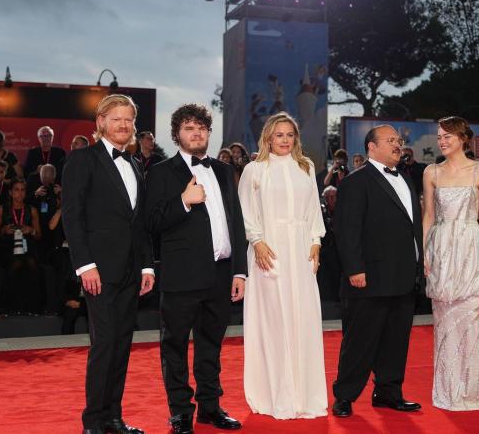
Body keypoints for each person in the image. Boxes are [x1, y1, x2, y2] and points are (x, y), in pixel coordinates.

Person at [146, 104, 247, 434]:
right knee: (174, 346)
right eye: (189, 128)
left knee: (211, 346)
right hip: (182, 275)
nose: (196, 133)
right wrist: (184, 202)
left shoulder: (221, 170)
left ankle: (210, 407)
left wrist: (239, 271)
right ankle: (179, 413)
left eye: (202, 127)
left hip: (220, 273)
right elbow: (152, 222)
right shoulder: (161, 172)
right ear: (177, 134)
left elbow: (235, 220)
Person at [62, 94, 154, 434]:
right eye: (116, 118)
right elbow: (73, 216)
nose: (123, 125)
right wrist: (85, 265)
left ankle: (113, 417)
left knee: (122, 343)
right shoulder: (82, 159)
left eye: (128, 119)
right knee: (104, 344)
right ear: (101, 121)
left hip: (131, 270)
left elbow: (139, 221)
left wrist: (147, 266)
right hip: (98, 270)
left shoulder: (134, 163)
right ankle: (94, 421)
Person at [238, 112, 327, 419]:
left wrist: (316, 239)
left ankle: (305, 395)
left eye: (290, 135)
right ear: (268, 138)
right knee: (274, 321)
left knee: (302, 317)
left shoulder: (306, 167)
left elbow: (315, 208)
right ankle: (276, 394)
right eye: (279, 135)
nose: (285, 140)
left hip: (301, 252)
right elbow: (246, 214)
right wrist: (258, 241)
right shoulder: (254, 170)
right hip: (270, 251)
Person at [331, 125, 423, 418]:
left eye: (399, 140)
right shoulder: (356, 182)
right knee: (360, 341)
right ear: (372, 147)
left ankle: (388, 392)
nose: (398, 145)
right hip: (368, 278)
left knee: (396, 341)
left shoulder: (407, 179)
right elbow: (346, 231)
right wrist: (355, 269)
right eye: (390, 141)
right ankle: (344, 396)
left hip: (403, 276)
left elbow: (411, 228)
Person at [421, 117, 479, 411]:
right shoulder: (431, 171)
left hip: (471, 246)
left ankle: (472, 392)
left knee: (471, 317)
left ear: (463, 138)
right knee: (444, 319)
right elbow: (428, 215)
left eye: (448, 136)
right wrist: (425, 253)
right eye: (439, 137)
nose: (442, 141)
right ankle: (448, 391)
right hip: (441, 249)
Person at [0, 178, 44, 315]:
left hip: (27, 247)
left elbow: (39, 235)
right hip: (8, 247)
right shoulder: (2, 209)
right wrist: (4, 230)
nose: (20, 194)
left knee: (31, 263)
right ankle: (10, 306)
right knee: (16, 262)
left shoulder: (31, 210)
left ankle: (32, 307)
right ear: (10, 192)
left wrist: (31, 230)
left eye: (22, 190)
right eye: (16, 190)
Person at [317, 186, 341, 301]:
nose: (331, 199)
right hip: (325, 248)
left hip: (339, 248)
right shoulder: (321, 211)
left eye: (333, 196)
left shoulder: (343, 209)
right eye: (328, 197)